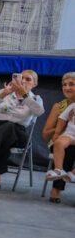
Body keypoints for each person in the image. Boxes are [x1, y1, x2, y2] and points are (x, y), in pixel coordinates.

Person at [42, 72, 75, 203]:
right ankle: (56, 189)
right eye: (64, 85)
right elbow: (45, 135)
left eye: (71, 84)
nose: (67, 88)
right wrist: (66, 125)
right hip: (60, 143)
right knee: (70, 150)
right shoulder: (59, 107)